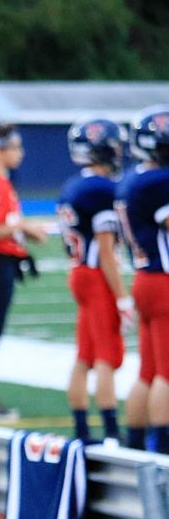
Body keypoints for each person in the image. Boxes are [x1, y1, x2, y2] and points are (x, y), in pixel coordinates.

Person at [58, 119, 132, 442]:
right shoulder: (102, 190)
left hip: (77, 272)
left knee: (85, 354)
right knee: (105, 355)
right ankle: (112, 430)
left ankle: (81, 428)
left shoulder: (72, 186)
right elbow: (105, 251)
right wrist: (122, 297)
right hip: (95, 274)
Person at [0, 125, 49, 419]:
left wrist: (25, 231)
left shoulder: (1, 181)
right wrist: (22, 227)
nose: (20, 153)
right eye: (14, 147)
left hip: (4, 262)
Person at [117, 105, 169, 453]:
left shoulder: (131, 179)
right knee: (166, 374)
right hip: (162, 280)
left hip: (143, 278)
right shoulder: (158, 182)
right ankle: (163, 451)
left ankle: (134, 446)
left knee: (148, 371)